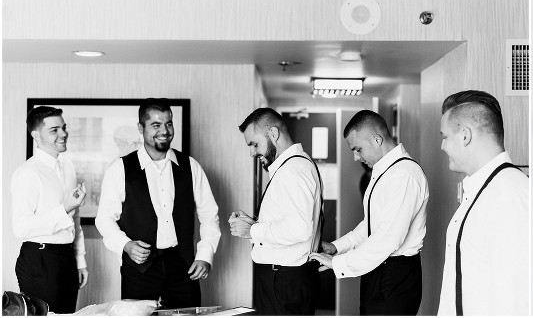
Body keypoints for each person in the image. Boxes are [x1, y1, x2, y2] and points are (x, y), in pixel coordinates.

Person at [95, 98, 221, 309]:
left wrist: (205, 255)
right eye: (156, 125)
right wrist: (126, 245)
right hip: (138, 269)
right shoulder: (120, 169)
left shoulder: (191, 166)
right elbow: (104, 219)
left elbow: (209, 215)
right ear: (140, 128)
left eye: (168, 123)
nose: (165, 130)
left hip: (183, 267)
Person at [309, 110, 429, 315]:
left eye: (358, 149)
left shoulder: (404, 175)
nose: (356, 157)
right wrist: (336, 248)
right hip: (379, 271)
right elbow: (371, 225)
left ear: (377, 139)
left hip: (394, 277)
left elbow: (387, 239)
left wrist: (338, 263)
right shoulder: (385, 171)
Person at [437, 90, 529, 315]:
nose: (442, 146)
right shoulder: (484, 189)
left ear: (465, 136)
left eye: (445, 136)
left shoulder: (509, 195)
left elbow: (516, 298)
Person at [229, 108, 323, 315]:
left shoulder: (292, 170)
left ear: (273, 134)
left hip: (283, 282)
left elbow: (299, 229)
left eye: (254, 144)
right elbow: (290, 220)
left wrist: (252, 232)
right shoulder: (296, 165)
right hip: (287, 280)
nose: (252, 153)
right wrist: (254, 224)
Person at [11, 106, 89, 313]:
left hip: (66, 258)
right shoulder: (28, 173)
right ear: (36, 135)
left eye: (63, 128)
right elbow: (21, 229)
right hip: (39, 259)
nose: (63, 134)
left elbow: (75, 216)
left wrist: (80, 260)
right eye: (54, 130)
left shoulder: (68, 166)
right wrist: (64, 209)